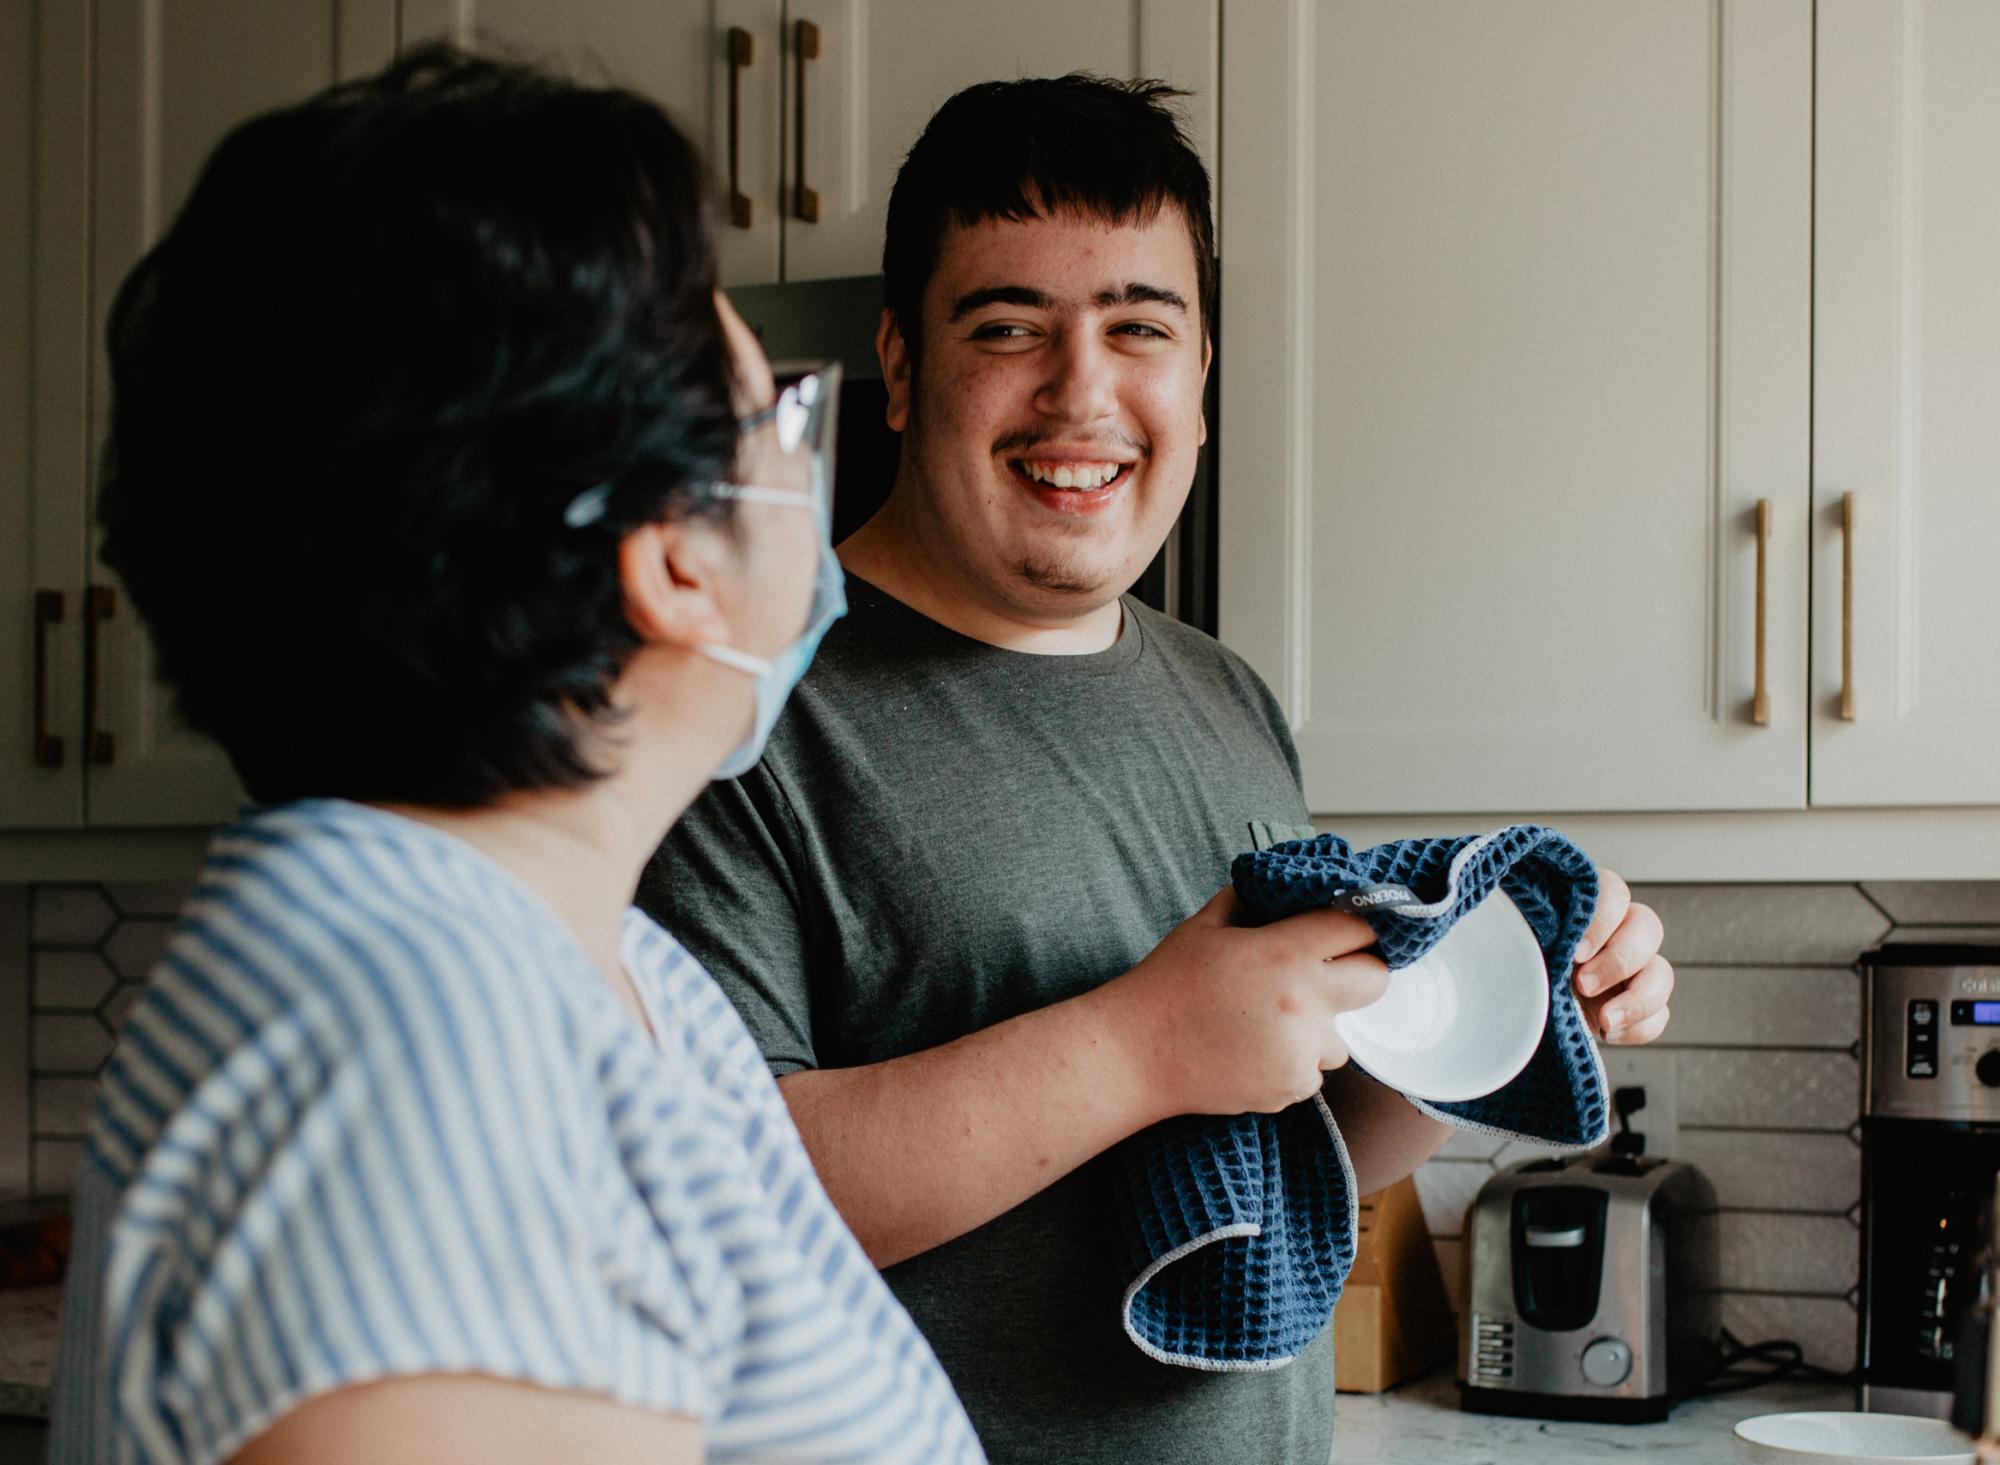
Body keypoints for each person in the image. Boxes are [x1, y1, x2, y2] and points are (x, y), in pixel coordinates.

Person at [641, 74, 1674, 1464]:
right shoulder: (736, 708)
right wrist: (1139, 1042)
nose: (1083, 392)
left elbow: (1277, 1156)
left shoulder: (1227, 696)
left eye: (1142, 327)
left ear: (1198, 375)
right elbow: (704, 1188)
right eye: (1007, 327)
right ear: (897, 365)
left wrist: (1492, 1006)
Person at [49, 48, 982, 1465]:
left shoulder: (594, 970)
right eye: (778, 422)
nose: (811, 476)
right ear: (673, 556)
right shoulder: (415, 1038)